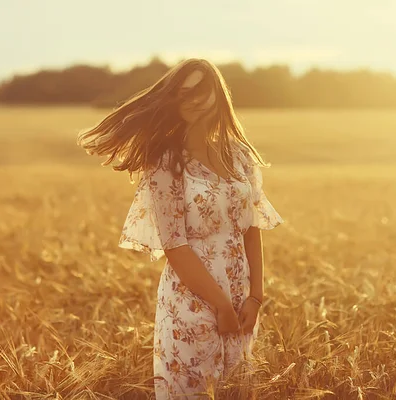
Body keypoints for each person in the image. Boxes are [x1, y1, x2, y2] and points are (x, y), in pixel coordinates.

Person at [77, 58, 284, 399]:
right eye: (184, 93)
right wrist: (220, 305)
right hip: (192, 300)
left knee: (238, 391)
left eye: (202, 91)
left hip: (241, 297)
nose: (193, 100)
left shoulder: (239, 156)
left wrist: (256, 297)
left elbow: (251, 227)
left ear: (219, 95)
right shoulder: (166, 162)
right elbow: (175, 245)